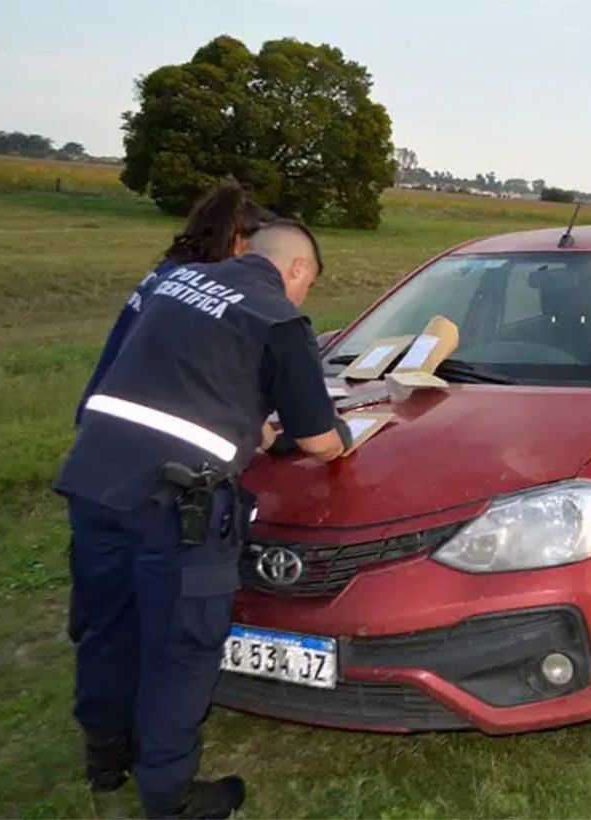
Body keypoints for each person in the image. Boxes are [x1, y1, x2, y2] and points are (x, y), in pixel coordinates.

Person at [55, 220, 351, 819]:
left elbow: (179, 382)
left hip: (96, 480)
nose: (304, 297)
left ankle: (106, 755)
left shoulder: (174, 282)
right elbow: (318, 439)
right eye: (308, 284)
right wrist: (339, 438)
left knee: (107, 622)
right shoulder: (278, 316)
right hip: (175, 507)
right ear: (297, 269)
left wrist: (247, 426)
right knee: (181, 648)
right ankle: (170, 793)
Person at [67, 183, 276, 647]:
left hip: (102, 438)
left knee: (107, 575)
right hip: (143, 451)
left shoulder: (170, 275)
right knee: (146, 584)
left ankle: (106, 669)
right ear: (239, 240)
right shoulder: (201, 287)